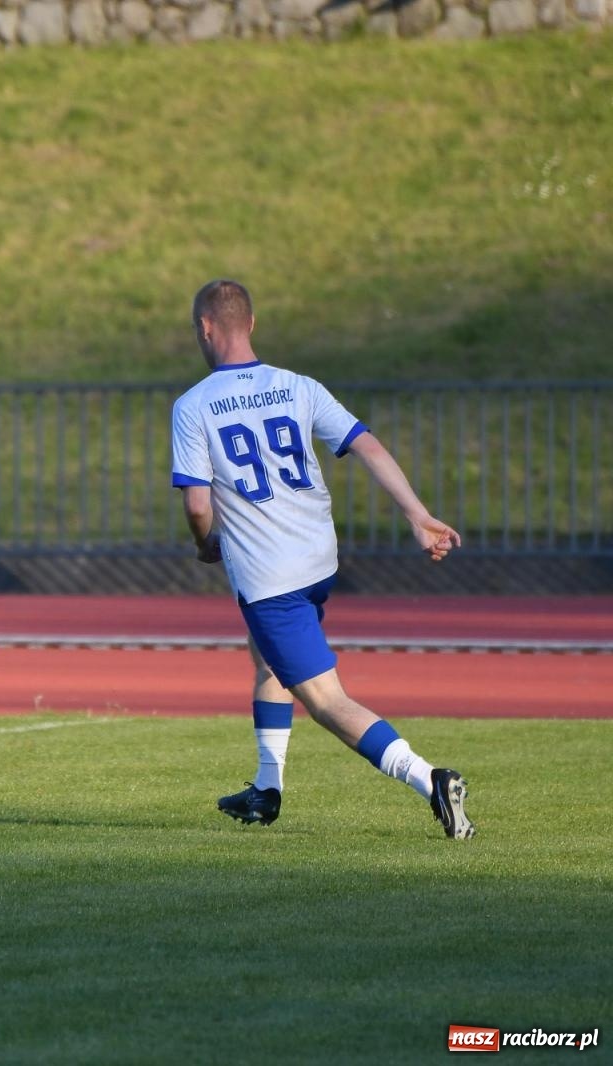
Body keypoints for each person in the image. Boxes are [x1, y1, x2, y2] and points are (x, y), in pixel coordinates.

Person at [169, 280, 474, 839]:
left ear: (205, 329)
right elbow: (368, 445)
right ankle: (266, 789)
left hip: (269, 575)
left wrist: (204, 542)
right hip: (316, 560)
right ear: (252, 325)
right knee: (268, 662)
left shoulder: (193, 407)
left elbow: (195, 504)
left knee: (327, 700)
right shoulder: (298, 386)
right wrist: (417, 514)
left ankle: (431, 779)